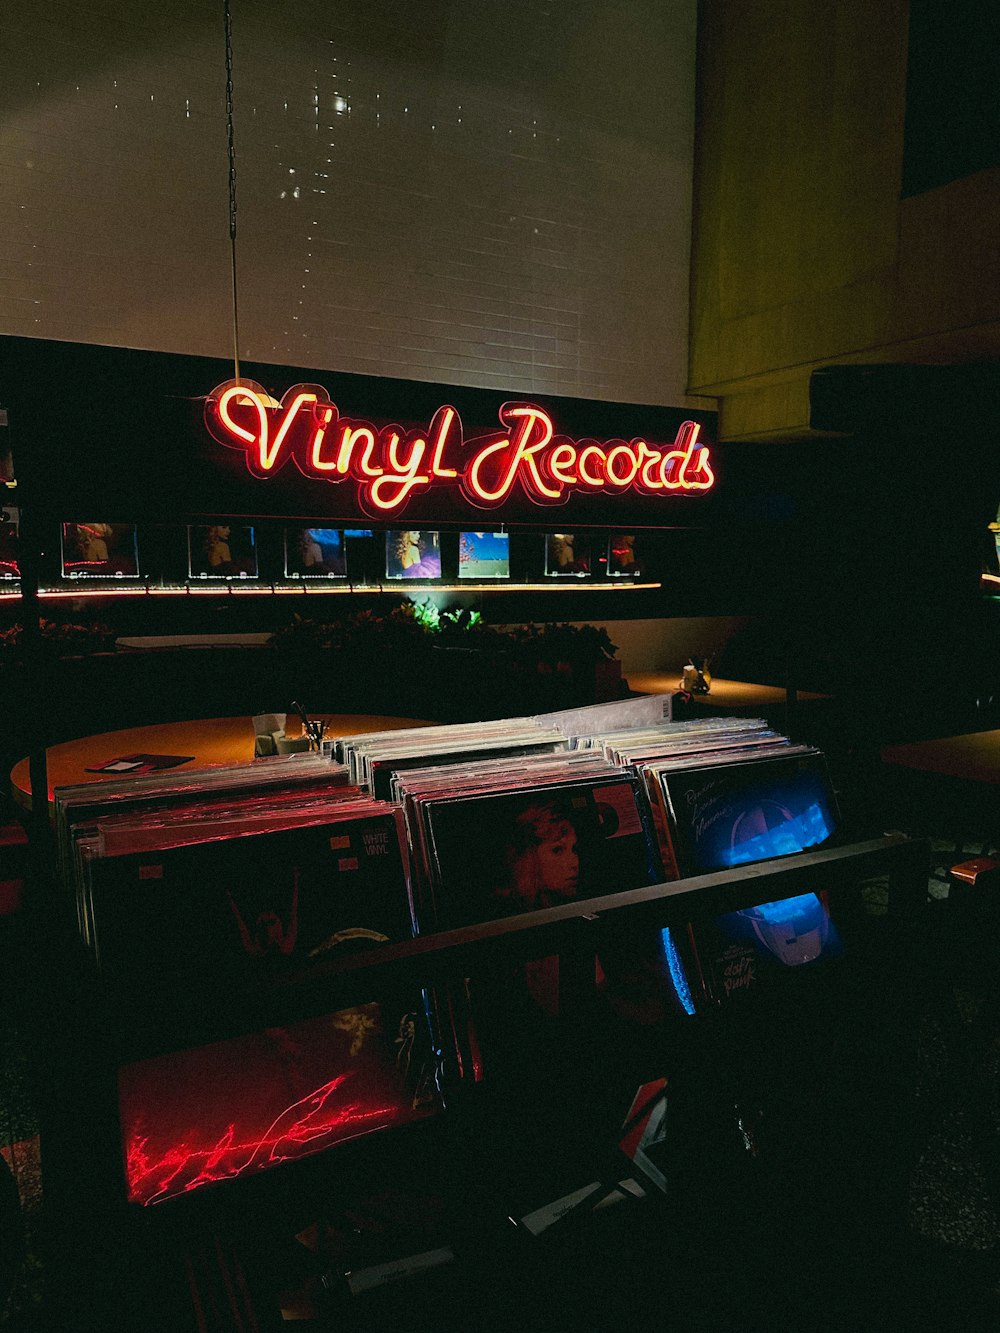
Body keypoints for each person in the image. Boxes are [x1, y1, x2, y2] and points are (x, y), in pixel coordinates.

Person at [496, 799, 581, 912]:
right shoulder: (504, 911)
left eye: (574, 849)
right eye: (557, 850)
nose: (575, 862)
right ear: (529, 857)